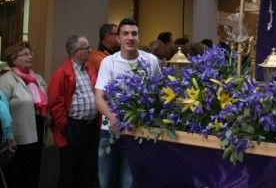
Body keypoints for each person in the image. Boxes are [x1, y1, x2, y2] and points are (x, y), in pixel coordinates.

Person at [95, 18, 160, 188]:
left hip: (137, 130)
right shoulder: (109, 62)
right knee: (105, 182)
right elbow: (99, 97)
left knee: (129, 183)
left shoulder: (151, 61)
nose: (130, 37)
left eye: (134, 33)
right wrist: (112, 116)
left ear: (139, 36)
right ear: (118, 38)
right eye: (125, 34)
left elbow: (159, 94)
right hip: (109, 130)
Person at [48, 35, 100, 188]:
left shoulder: (90, 68)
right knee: (70, 170)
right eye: (86, 48)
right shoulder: (61, 73)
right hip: (73, 127)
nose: (90, 51)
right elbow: (55, 104)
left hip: (90, 126)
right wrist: (65, 127)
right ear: (76, 51)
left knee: (88, 169)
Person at [0, 41, 48, 188]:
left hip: (38, 131)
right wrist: (9, 136)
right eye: (25, 54)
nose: (30, 56)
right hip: (17, 136)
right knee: (17, 174)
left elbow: (45, 101)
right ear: (14, 59)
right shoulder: (6, 79)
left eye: (30, 53)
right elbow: (2, 109)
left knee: (33, 172)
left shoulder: (37, 78)